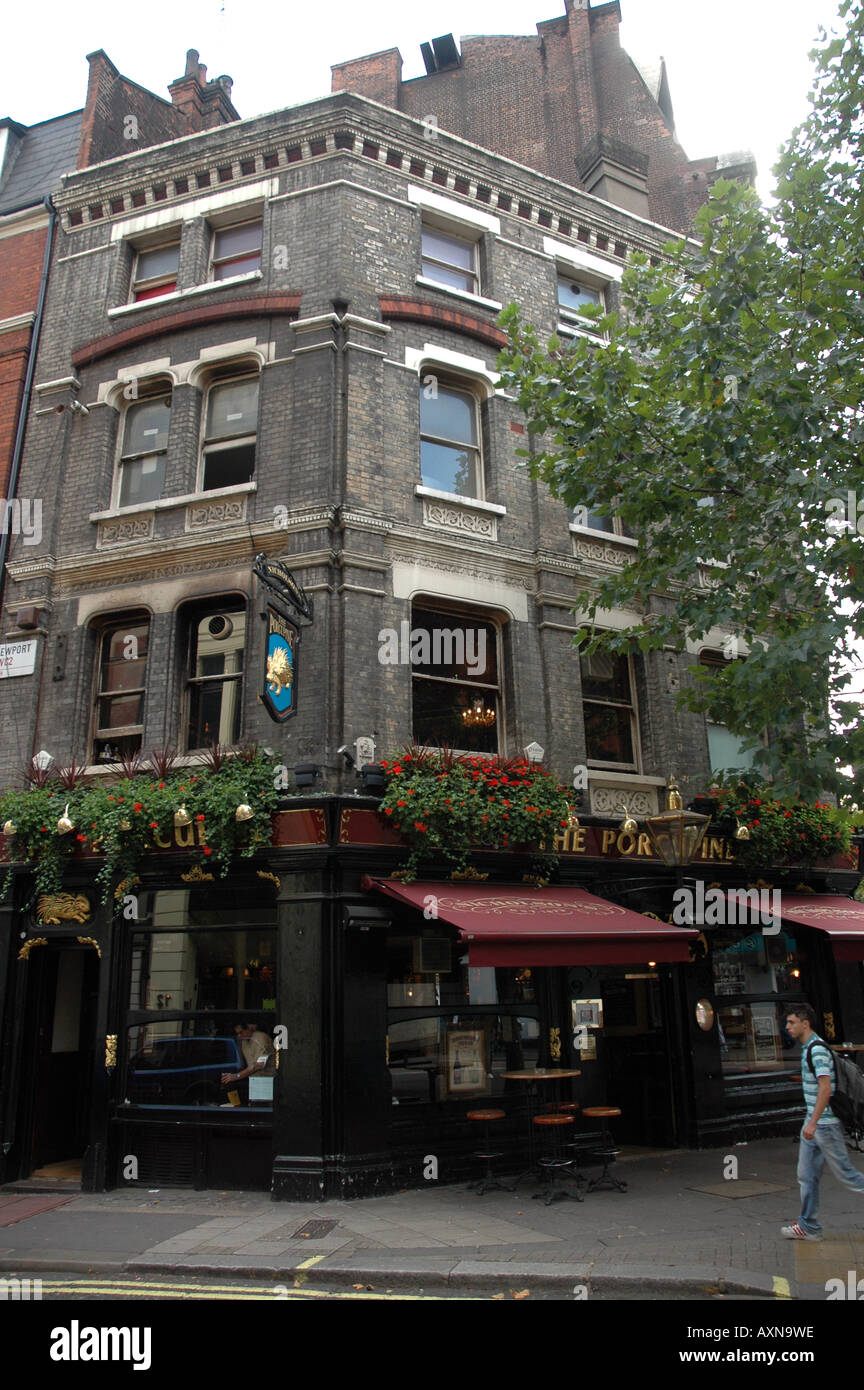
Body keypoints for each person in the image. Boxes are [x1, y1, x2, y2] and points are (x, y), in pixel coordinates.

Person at [782, 1004, 864, 1240]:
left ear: (805, 1023)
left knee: (847, 1175)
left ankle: (809, 1225)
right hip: (815, 1124)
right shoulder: (810, 1047)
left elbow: (826, 1088)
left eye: (792, 1022)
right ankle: (809, 1226)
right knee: (807, 1176)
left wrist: (813, 1123)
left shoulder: (816, 1051)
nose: (787, 1027)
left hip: (823, 1125)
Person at [221, 1021, 276, 1091]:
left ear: (249, 1028)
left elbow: (259, 1065)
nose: (239, 1036)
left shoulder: (261, 1038)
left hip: (267, 1080)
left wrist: (237, 1076)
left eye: (241, 1032)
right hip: (254, 1081)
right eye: (237, 1033)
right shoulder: (244, 1041)